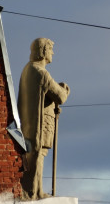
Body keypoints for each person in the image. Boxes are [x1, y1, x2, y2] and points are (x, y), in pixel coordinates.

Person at [18, 38, 70, 200]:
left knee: (38, 156)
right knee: (38, 156)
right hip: (40, 125)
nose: (52, 53)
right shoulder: (41, 73)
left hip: (32, 124)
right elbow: (60, 96)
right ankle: (34, 191)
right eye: (50, 49)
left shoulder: (28, 69)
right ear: (42, 51)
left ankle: (37, 189)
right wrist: (65, 89)